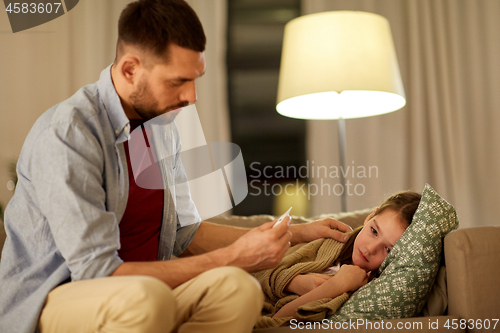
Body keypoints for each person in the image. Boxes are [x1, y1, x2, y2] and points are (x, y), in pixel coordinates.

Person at [0, 1, 353, 333]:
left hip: (140, 295)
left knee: (237, 288)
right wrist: (233, 256)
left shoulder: (161, 124)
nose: (191, 97)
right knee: (147, 297)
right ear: (130, 69)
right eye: (177, 82)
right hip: (58, 297)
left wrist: (293, 233)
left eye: (194, 78)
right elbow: (97, 271)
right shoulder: (69, 133)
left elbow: (186, 235)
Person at [253, 191, 422, 328]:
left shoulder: (363, 290)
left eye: (388, 249)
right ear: (370, 217)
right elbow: (259, 270)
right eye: (374, 231)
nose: (370, 249)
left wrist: (336, 286)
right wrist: (292, 281)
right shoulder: (329, 242)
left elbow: (276, 321)